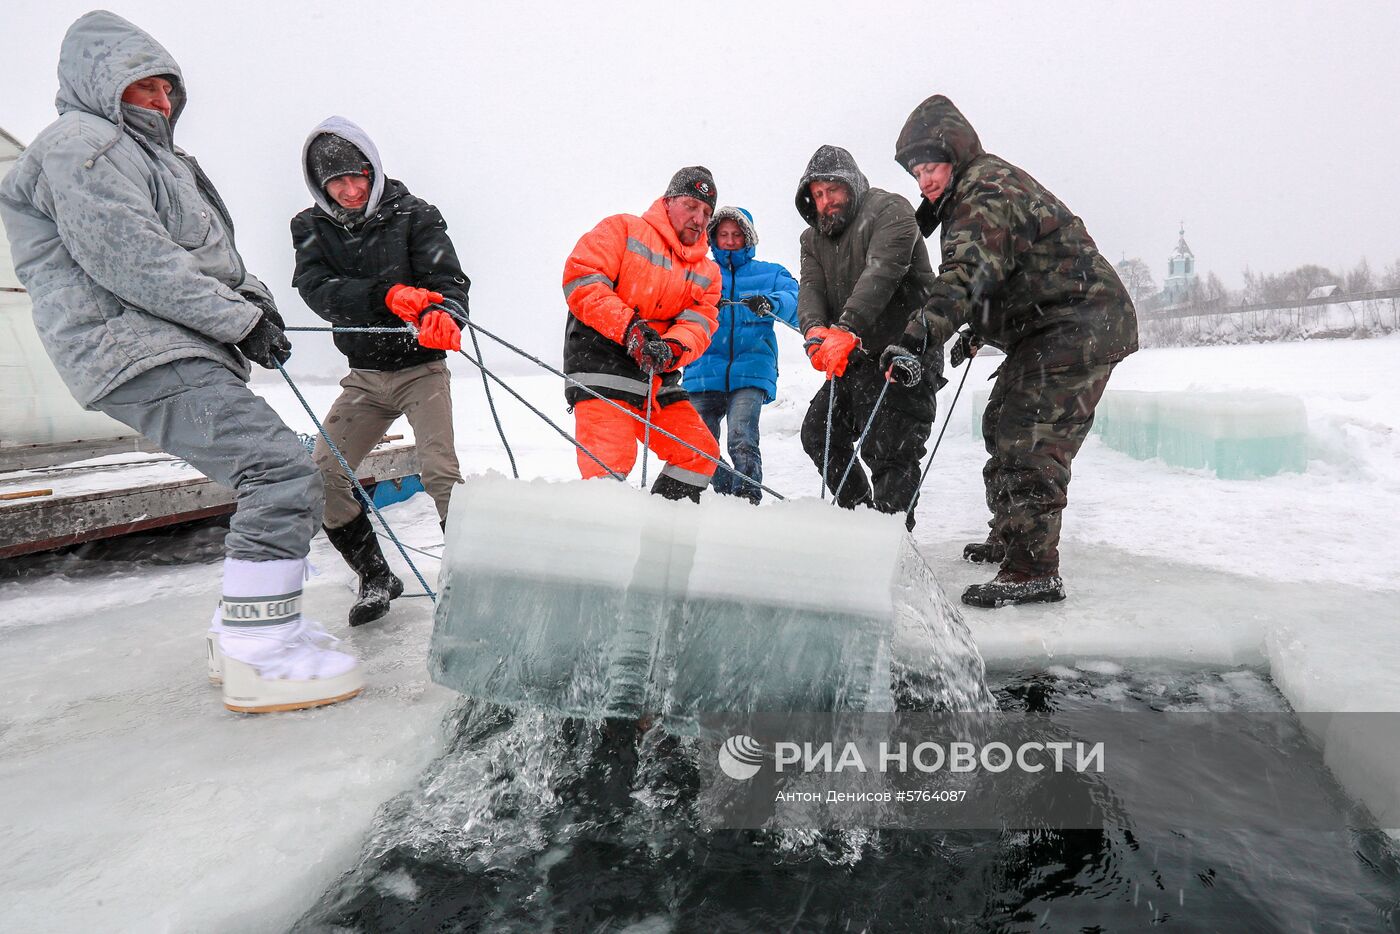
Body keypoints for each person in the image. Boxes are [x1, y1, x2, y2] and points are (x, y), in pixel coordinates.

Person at [0, 11, 361, 712]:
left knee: (278, 470)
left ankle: (242, 634)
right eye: (143, 88)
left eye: (168, 88)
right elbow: (132, 259)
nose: (161, 102)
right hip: (134, 345)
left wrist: (258, 305)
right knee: (280, 473)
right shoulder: (83, 146)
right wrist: (238, 320)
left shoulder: (161, 162)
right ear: (101, 85)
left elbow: (211, 259)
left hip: (174, 342)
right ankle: (261, 651)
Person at [892, 94, 1139, 608]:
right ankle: (1011, 533)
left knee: (1028, 434)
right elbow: (1008, 272)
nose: (925, 182)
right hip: (1049, 325)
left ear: (955, 157)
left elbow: (967, 273)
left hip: (1078, 323)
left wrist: (921, 331)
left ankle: (1033, 567)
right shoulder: (973, 189)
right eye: (916, 173)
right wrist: (977, 330)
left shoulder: (983, 189)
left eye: (932, 167)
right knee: (1000, 418)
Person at [291, 116, 468, 626]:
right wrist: (387, 295)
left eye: (358, 176)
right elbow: (318, 291)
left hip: (421, 371)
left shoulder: (415, 215)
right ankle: (375, 576)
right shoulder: (311, 228)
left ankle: (466, 581)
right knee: (322, 473)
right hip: (364, 377)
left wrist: (443, 313)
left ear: (373, 171)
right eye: (337, 182)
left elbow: (449, 280)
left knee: (441, 474)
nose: (350, 190)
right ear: (320, 187)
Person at [794, 145, 942, 528]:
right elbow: (810, 290)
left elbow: (882, 272)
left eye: (833, 190)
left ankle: (892, 537)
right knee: (819, 433)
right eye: (818, 194)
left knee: (890, 448)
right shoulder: (812, 240)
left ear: (853, 184)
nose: (826, 201)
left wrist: (845, 328)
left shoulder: (890, 211)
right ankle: (861, 521)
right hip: (855, 356)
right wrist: (814, 332)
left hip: (904, 347)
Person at [561, 166, 723, 502]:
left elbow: (700, 323)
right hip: (602, 369)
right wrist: (629, 329)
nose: (699, 218)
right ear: (667, 202)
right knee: (609, 468)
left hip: (656, 379)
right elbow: (583, 279)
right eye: (691, 206)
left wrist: (674, 349)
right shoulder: (622, 229)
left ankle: (660, 540)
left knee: (699, 454)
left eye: (706, 212)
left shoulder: (709, 272)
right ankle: (602, 545)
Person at [682, 207, 799, 503]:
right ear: (713, 238)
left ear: (748, 237)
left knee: (741, 437)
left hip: (752, 369)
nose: (731, 241)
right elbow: (672, 300)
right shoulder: (698, 272)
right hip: (702, 369)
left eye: (737, 234)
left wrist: (770, 303)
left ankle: (747, 499)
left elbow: (796, 300)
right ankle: (724, 494)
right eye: (724, 235)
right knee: (698, 441)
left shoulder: (771, 273)